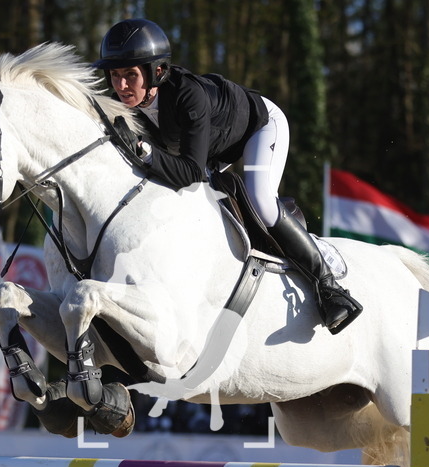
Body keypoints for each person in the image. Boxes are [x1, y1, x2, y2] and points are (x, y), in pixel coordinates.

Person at [93, 18, 363, 334]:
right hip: (214, 147)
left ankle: (329, 286)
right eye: (115, 76)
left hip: (259, 127)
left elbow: (190, 172)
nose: (122, 86)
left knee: (261, 202)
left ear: (156, 72)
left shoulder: (187, 95)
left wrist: (145, 151)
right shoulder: (127, 107)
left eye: (130, 76)